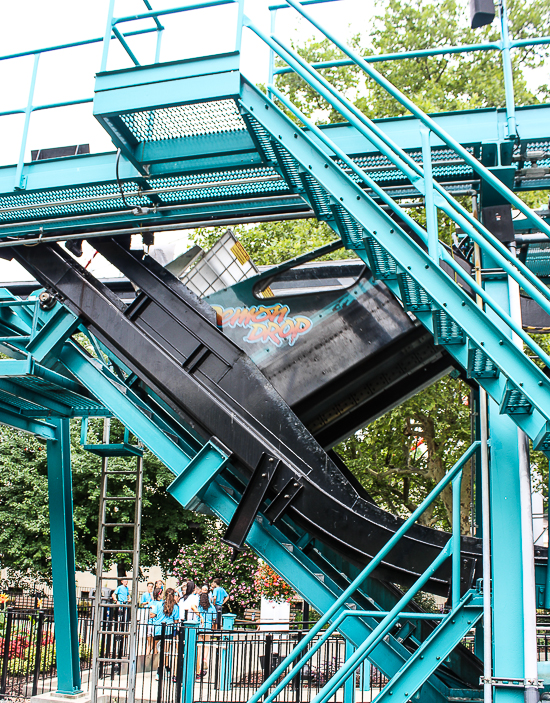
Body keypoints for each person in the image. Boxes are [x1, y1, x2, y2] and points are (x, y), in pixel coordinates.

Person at [149, 587, 179, 681]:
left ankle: (165, 668)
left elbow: (152, 615)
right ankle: (161, 670)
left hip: (158, 629)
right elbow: (176, 621)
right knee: (165, 652)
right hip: (168, 631)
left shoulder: (159, 604)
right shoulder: (175, 607)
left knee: (159, 652)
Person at [140, 583, 155, 654]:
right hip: (146, 610)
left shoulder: (153, 594)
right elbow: (141, 603)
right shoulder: (144, 594)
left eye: (151, 587)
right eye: (149, 586)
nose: (150, 588)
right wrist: (146, 602)